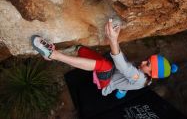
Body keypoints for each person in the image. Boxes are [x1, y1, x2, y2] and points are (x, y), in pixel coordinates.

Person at [31, 19, 178, 97]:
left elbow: (123, 67)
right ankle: (55, 54)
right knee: (80, 50)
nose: (144, 61)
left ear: (151, 73)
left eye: (148, 64)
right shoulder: (145, 76)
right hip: (112, 72)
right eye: (148, 59)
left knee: (105, 65)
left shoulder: (140, 78)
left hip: (107, 82)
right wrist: (124, 89)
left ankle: (53, 54)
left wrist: (114, 40)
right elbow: (126, 71)